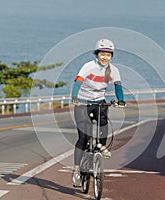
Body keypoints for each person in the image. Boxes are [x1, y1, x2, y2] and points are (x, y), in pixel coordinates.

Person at [71, 39, 126, 187]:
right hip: (83, 102)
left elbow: (118, 87)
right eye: (102, 54)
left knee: (103, 123)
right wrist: (75, 97)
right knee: (83, 137)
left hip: (100, 101)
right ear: (97, 54)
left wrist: (121, 100)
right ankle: (76, 170)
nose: (105, 57)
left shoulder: (113, 70)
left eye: (108, 55)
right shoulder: (88, 66)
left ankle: (101, 148)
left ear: (111, 56)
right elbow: (78, 82)